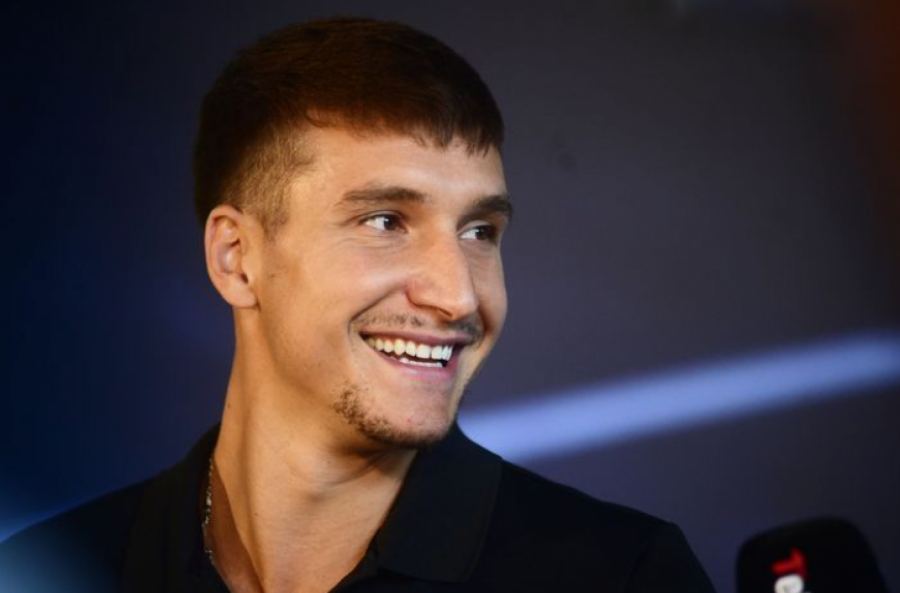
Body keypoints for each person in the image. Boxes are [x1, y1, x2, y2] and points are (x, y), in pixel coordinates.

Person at [0, 17, 716, 593]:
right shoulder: (48, 574)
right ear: (236, 258)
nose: (458, 295)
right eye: (385, 221)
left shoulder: (622, 575)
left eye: (479, 231)